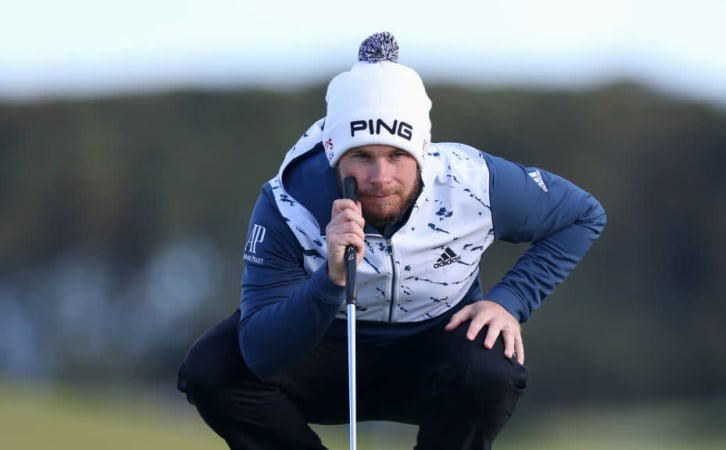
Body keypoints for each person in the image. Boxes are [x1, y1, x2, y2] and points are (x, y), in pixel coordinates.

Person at [177, 31, 606, 450]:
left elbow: (582, 215)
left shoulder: (474, 183)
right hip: (325, 349)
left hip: (436, 351)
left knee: (491, 366)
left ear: (422, 148)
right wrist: (329, 279)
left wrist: (510, 300)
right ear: (334, 152)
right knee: (213, 368)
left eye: (397, 156)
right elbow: (261, 355)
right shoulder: (288, 203)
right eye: (362, 156)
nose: (381, 178)